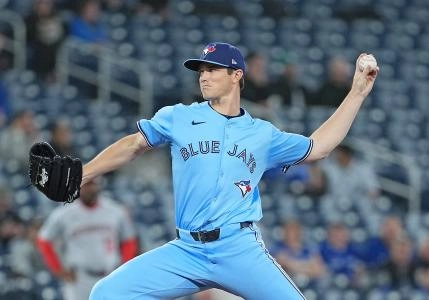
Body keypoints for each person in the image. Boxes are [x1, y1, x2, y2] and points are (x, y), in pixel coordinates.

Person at [79, 42, 378, 299]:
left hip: (238, 248)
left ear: (236, 75)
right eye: (201, 70)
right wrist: (84, 173)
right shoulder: (179, 116)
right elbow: (133, 145)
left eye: (212, 69)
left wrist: (357, 93)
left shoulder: (262, 133)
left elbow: (318, 147)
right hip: (187, 249)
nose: (204, 76)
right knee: (106, 293)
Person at [37, 177, 138, 300]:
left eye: (92, 184)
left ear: (99, 186)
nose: (89, 189)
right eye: (85, 185)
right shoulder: (64, 213)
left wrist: (124, 267)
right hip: (79, 279)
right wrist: (58, 269)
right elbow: (44, 240)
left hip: (110, 274)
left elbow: (129, 240)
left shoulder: (115, 210)